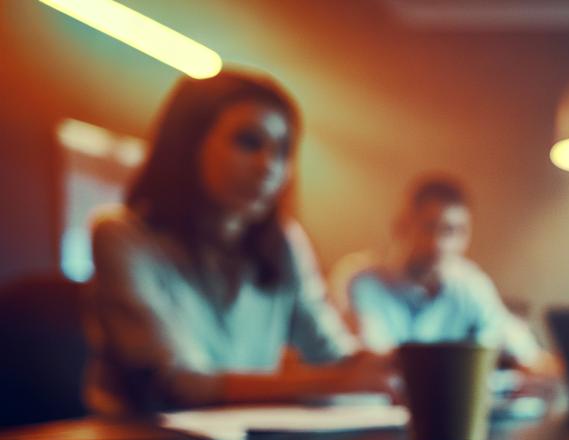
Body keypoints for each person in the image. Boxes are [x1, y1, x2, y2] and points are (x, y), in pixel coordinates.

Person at [84, 70, 392, 415]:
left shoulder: (285, 242)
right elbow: (177, 382)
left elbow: (331, 354)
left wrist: (393, 365)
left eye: (283, 150)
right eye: (249, 142)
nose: (268, 166)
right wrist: (330, 384)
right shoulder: (121, 235)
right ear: (189, 144)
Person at [341, 177, 548, 372]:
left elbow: (522, 349)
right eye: (429, 228)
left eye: (454, 231)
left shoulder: (470, 283)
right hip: (382, 405)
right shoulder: (362, 282)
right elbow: (370, 360)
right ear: (402, 227)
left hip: (451, 404)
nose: (440, 244)